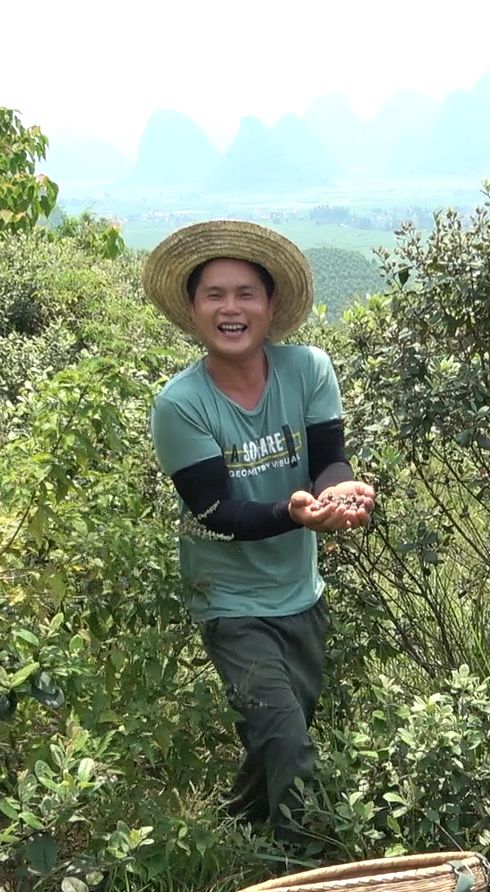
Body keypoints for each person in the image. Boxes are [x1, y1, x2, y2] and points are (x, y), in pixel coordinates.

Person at [143, 220, 374, 851]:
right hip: (230, 601)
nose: (231, 307)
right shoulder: (181, 405)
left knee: (281, 725)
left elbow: (330, 457)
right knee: (288, 739)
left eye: (246, 292)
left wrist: (337, 493)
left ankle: (234, 822)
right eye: (214, 294)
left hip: (300, 591)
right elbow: (215, 508)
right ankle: (308, 868)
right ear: (192, 310)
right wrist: (293, 515)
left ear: (271, 306)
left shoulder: (309, 370)